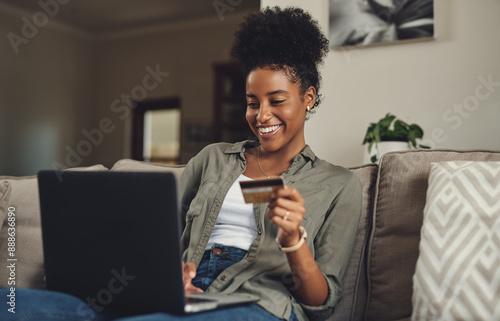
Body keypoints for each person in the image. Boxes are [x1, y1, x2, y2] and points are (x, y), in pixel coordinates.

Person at [0, 6, 361, 321]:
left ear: (308, 98)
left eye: (277, 100)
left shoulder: (337, 184)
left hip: (258, 304)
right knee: (9, 302)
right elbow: (158, 240)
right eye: (253, 102)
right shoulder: (213, 159)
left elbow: (321, 304)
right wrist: (173, 275)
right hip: (178, 298)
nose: (262, 114)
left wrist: (294, 241)